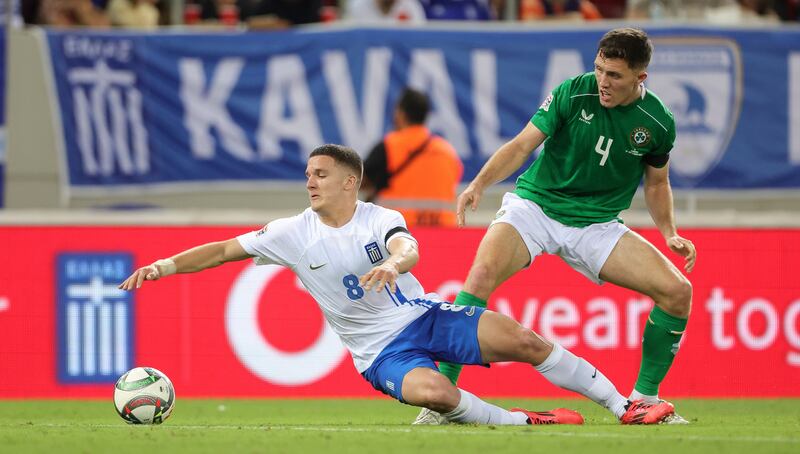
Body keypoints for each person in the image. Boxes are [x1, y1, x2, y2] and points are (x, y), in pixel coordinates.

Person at [119, 144, 675, 426]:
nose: (309, 181)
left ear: (349, 182)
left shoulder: (375, 217)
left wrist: (395, 265)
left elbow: (408, 246)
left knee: (526, 341)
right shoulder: (291, 232)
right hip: (377, 352)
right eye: (307, 174)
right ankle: (525, 421)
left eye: (319, 173)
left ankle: (623, 404)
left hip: (424, 315)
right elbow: (220, 251)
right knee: (436, 394)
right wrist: (163, 265)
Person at [422, 28, 696, 425]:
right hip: (536, 208)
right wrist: (479, 184)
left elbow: (656, 182)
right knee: (479, 276)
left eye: (615, 75)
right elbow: (521, 145)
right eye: (600, 69)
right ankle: (441, 403)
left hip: (597, 224)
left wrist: (669, 231)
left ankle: (643, 400)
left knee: (678, 292)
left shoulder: (657, 122)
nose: (603, 81)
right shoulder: (573, 91)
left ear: (641, 77)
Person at [361, 88, 463, 227]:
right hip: (443, 231)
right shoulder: (448, 151)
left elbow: (360, 180)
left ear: (400, 114)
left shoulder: (389, 146)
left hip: (398, 231)